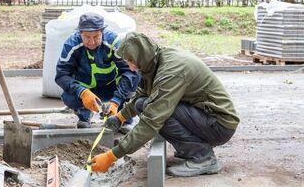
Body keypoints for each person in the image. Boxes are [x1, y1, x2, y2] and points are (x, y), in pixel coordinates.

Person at [89, 32, 239, 177]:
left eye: (131, 61)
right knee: (143, 104)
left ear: (141, 56)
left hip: (219, 124)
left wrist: (112, 156)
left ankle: (203, 157)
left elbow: (152, 120)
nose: (130, 67)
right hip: (204, 117)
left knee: (157, 112)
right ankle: (192, 148)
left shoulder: (171, 71)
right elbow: (143, 94)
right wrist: (120, 117)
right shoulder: (156, 60)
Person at [55, 13, 140, 130]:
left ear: (102, 32)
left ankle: (122, 118)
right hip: (86, 89)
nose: (92, 42)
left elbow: (129, 71)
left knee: (133, 83)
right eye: (87, 37)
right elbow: (61, 75)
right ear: (80, 34)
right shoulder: (71, 45)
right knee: (68, 97)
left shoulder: (114, 43)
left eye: (96, 36)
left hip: (111, 87)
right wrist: (82, 92)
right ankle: (84, 115)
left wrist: (116, 100)